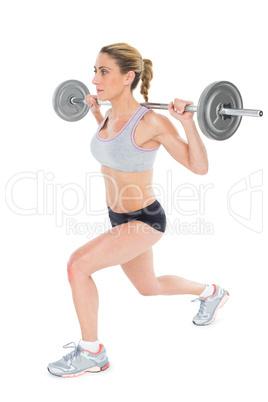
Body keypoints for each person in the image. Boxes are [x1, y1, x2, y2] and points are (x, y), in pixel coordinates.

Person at [47, 43, 229, 378]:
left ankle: (92, 352)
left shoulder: (152, 122)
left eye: (104, 71)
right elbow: (115, 151)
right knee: (149, 287)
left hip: (144, 221)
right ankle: (212, 292)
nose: (95, 78)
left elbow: (198, 167)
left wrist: (188, 123)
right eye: (95, 70)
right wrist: (96, 115)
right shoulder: (110, 116)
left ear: (128, 76)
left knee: (77, 265)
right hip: (117, 218)